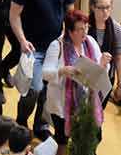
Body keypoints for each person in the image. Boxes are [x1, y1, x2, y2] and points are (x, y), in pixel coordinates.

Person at [9, 0, 75, 138]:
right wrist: (21, 40)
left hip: (55, 49)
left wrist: (68, 37)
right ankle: (21, 120)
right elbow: (14, 15)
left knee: (50, 91)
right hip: (33, 49)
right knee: (34, 89)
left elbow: (70, 14)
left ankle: (41, 125)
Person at [41, 10, 110, 150]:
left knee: (91, 138)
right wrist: (62, 71)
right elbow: (45, 73)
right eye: (80, 29)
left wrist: (103, 64)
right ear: (70, 31)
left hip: (86, 103)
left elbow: (98, 70)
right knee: (63, 142)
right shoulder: (57, 46)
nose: (85, 33)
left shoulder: (90, 42)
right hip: (62, 104)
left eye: (86, 28)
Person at [87, 0, 121, 106]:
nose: (106, 12)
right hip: (85, 76)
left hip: (106, 78)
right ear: (93, 7)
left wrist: (120, 84)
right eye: (101, 8)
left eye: (108, 7)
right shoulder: (85, 25)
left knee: (98, 113)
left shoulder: (116, 28)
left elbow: (119, 58)